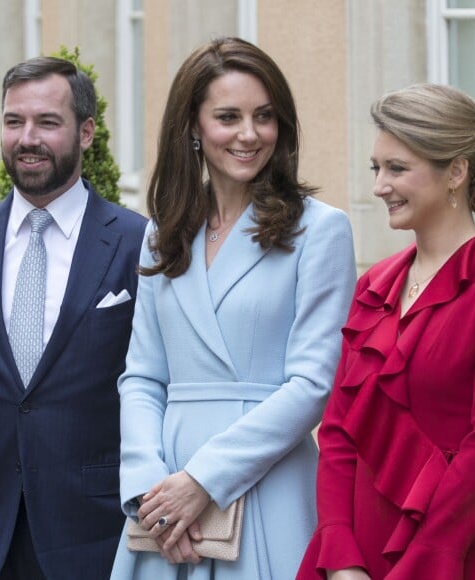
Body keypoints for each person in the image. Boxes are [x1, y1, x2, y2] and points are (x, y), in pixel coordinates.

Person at [111, 36, 357, 579]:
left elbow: (314, 384)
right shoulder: (163, 233)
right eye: (228, 116)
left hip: (265, 485)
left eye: (264, 117)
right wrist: (151, 493)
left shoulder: (320, 231)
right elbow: (143, 378)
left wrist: (203, 481)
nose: (249, 134)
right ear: (194, 128)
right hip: (165, 500)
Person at [297, 83, 475, 580]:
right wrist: (339, 557)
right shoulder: (373, 287)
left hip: (459, 556)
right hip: (356, 560)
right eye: (376, 169)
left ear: (457, 172)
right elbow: (337, 434)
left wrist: (425, 565)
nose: (380, 185)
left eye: (397, 169)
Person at [0, 57, 147, 579]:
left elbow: (156, 383)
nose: (27, 138)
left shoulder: (137, 245)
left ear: (86, 132)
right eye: (14, 121)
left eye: (47, 122)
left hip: (91, 533)